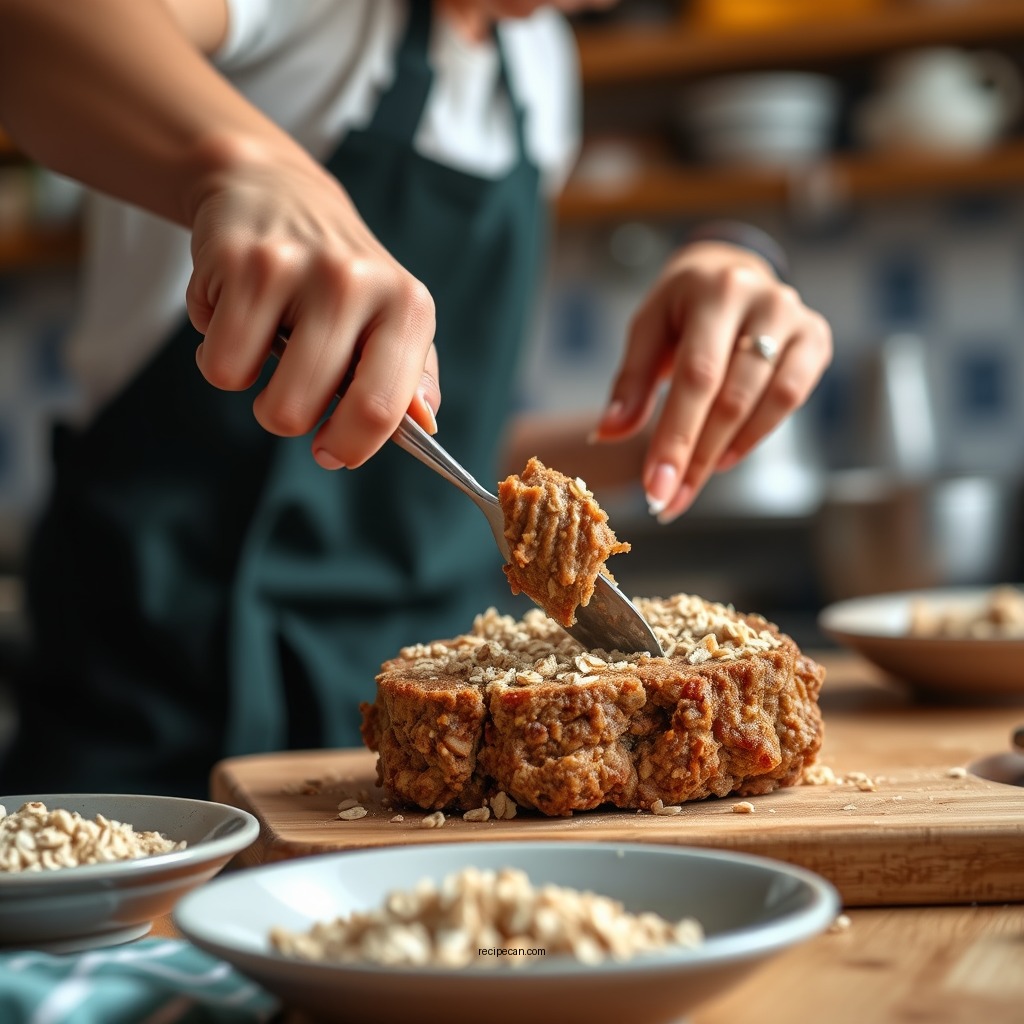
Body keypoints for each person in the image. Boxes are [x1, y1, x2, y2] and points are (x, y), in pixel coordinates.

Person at [0, 0, 832, 797]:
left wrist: (667, 427)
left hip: (401, 706)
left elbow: (445, 443)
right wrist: (250, 168)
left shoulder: (541, 74)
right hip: (153, 663)